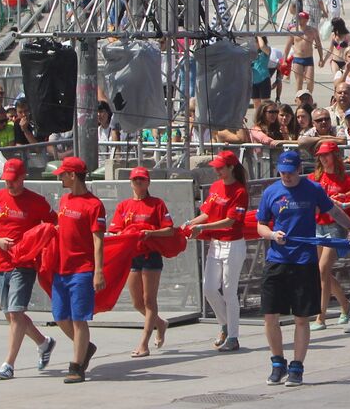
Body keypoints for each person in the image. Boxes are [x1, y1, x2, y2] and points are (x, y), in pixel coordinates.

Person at [257, 149, 350, 387]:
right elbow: (261, 224)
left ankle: (297, 366)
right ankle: (277, 362)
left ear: (299, 170)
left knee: (301, 317)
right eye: (283, 173)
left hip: (304, 261)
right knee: (270, 315)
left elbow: (332, 211)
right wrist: (273, 234)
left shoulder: (312, 189)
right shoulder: (271, 192)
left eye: (291, 173)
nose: (287, 177)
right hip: (277, 259)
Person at [0, 157, 58, 381]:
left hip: (24, 264)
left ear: (23, 177)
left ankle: (9, 364)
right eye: (6, 180)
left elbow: (55, 223)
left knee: (15, 312)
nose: (9, 184)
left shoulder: (36, 201)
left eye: (13, 180)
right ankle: (44, 342)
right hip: (1, 263)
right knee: (12, 315)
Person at [184, 151, 250, 352]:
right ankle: (224, 324)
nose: (217, 170)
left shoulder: (239, 191)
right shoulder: (215, 186)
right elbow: (206, 212)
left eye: (221, 167)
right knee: (210, 288)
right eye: (216, 167)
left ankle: (233, 336)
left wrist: (202, 228)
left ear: (231, 167)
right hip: (216, 244)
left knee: (229, 291)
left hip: (233, 244)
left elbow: (231, 221)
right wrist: (190, 223)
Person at [111, 167, 175, 358]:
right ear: (130, 183)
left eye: (142, 180)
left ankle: (144, 343)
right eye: (135, 180)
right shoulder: (124, 206)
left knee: (149, 300)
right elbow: (115, 231)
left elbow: (169, 230)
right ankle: (160, 323)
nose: (138, 183)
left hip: (151, 255)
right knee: (137, 302)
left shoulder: (157, 204)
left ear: (148, 183)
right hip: (133, 256)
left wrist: (150, 233)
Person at [53, 156, 105, 383]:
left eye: (63, 174)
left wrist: (98, 270)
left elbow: (98, 240)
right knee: (60, 316)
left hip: (82, 269)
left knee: (78, 319)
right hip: (61, 267)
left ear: (73, 175)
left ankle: (76, 366)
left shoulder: (94, 205)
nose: (60, 178)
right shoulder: (64, 200)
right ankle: (85, 347)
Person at [311, 141, 350, 331]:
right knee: (323, 271)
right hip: (318, 225)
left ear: (335, 156)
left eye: (326, 155)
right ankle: (345, 305)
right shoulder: (316, 178)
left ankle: (320, 317)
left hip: (335, 226)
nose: (323, 158)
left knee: (323, 269)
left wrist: (343, 198)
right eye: (321, 155)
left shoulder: (345, 178)